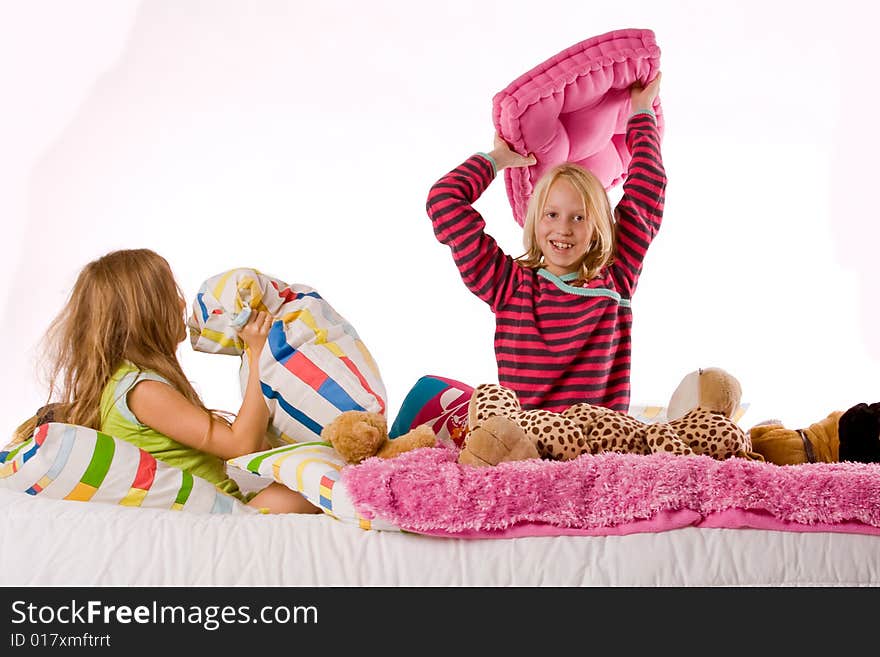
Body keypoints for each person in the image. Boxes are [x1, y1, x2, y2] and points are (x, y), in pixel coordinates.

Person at [12, 248, 320, 514]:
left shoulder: (128, 382)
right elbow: (241, 445)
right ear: (148, 313)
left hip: (230, 499)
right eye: (171, 295)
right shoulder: (142, 390)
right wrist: (258, 355)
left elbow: (255, 446)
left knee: (311, 471)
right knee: (327, 485)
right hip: (228, 512)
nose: (181, 304)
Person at [426, 73, 664, 414]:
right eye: (551, 215)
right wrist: (496, 160)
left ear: (598, 227)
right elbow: (444, 202)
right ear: (534, 220)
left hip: (599, 450)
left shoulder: (617, 277)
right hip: (529, 451)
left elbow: (647, 189)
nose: (563, 229)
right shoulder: (509, 284)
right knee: (431, 393)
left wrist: (641, 114)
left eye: (578, 217)